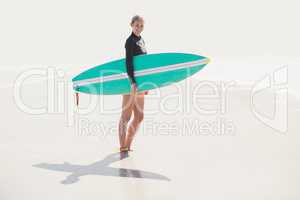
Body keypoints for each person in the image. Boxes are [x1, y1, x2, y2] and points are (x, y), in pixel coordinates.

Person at [118, 15, 148, 152]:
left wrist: (147, 84)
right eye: (137, 25)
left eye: (141, 25)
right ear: (131, 25)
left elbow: (144, 65)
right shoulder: (129, 41)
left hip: (141, 85)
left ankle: (128, 143)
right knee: (126, 116)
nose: (139, 28)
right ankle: (123, 146)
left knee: (139, 116)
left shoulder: (141, 40)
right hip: (131, 83)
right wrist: (132, 82)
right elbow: (128, 63)